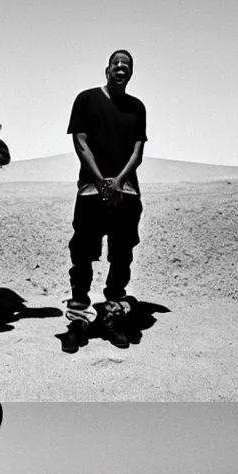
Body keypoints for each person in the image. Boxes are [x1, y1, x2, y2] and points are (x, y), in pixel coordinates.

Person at [66, 49, 146, 323]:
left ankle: (113, 312)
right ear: (107, 70)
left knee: (122, 254)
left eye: (126, 65)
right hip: (91, 189)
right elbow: (80, 143)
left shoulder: (137, 108)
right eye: (116, 64)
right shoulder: (86, 99)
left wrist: (119, 182)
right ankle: (78, 314)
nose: (121, 68)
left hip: (126, 191)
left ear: (131, 72)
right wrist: (102, 182)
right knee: (83, 252)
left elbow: (137, 152)